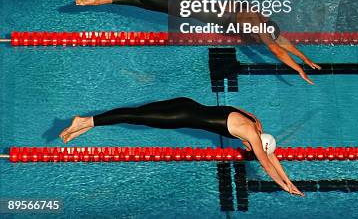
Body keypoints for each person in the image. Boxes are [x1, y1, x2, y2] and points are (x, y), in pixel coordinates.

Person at [75, 0, 321, 84]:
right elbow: (277, 50)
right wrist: (297, 70)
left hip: (196, 8)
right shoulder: (257, 26)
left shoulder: (265, 25)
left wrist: (304, 59)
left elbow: (282, 42)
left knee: (151, 5)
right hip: (194, 7)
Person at [59, 96, 303, 196]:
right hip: (181, 118)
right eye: (250, 148)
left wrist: (289, 181)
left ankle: (89, 123)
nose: (247, 148)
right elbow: (267, 163)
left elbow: (272, 156)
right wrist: (284, 186)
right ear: (255, 144)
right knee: (135, 118)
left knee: (136, 112)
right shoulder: (250, 135)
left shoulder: (254, 122)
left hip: (185, 102)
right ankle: (86, 121)